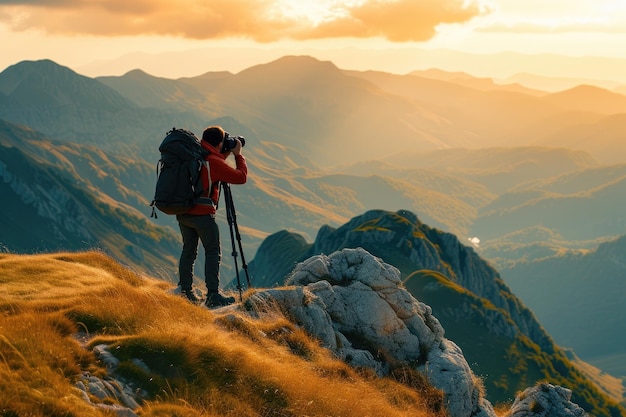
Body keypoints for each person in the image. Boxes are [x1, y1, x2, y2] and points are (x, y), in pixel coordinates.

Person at [177, 125, 248, 307]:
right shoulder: (213, 163)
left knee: (189, 250)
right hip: (202, 215)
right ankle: (213, 295)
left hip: (183, 212)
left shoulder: (196, 154)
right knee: (212, 251)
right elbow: (240, 177)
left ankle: (185, 290)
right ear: (218, 143)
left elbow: (213, 164)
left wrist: (225, 153)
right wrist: (238, 155)